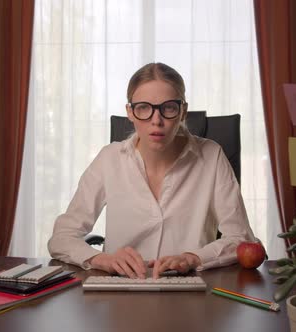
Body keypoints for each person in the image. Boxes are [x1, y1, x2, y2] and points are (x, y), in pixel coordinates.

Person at [48, 62, 255, 279]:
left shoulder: (212, 156)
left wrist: (192, 258)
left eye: (168, 108)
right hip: (121, 290)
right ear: (130, 112)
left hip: (188, 289)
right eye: (144, 108)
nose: (156, 121)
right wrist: (102, 259)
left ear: (183, 111)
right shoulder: (109, 159)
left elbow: (241, 238)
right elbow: (61, 238)